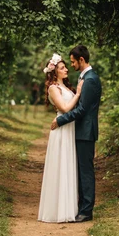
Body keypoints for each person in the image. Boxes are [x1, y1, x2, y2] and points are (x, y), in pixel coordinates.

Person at [51, 45, 101, 223]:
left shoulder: (91, 79)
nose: (71, 65)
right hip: (80, 131)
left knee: (86, 171)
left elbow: (82, 110)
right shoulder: (84, 78)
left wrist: (60, 121)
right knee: (80, 171)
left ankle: (86, 211)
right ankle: (81, 207)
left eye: (72, 61)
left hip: (85, 132)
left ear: (81, 60)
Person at [38, 53, 84, 223]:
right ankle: (56, 210)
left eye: (65, 67)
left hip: (69, 130)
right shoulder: (53, 88)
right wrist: (78, 94)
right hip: (61, 131)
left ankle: (68, 209)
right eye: (62, 68)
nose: (66, 70)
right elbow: (65, 108)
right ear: (54, 72)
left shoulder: (65, 87)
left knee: (69, 165)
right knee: (60, 166)